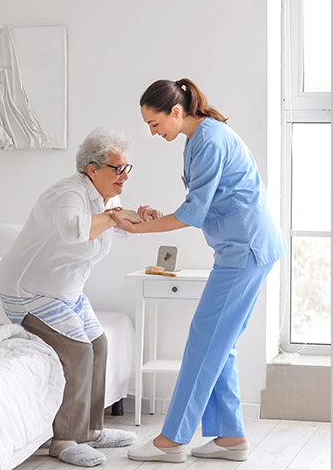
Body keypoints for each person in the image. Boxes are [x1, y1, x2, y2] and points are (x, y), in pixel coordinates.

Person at [112, 78, 288, 463]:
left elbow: (192, 214)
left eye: (154, 124)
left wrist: (138, 228)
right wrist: (154, 219)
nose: (152, 133)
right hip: (241, 248)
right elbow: (198, 204)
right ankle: (230, 437)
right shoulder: (200, 139)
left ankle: (172, 440)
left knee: (205, 340)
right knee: (217, 343)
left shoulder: (208, 139)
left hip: (245, 248)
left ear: (176, 112)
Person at [0, 127, 161, 467]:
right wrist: (115, 216)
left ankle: (91, 432)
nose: (124, 177)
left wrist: (138, 219)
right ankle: (64, 440)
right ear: (92, 168)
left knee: (99, 344)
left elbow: (117, 226)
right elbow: (75, 228)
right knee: (78, 351)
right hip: (27, 291)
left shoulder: (105, 199)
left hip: (65, 291)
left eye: (127, 169)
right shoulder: (68, 194)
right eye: (118, 169)